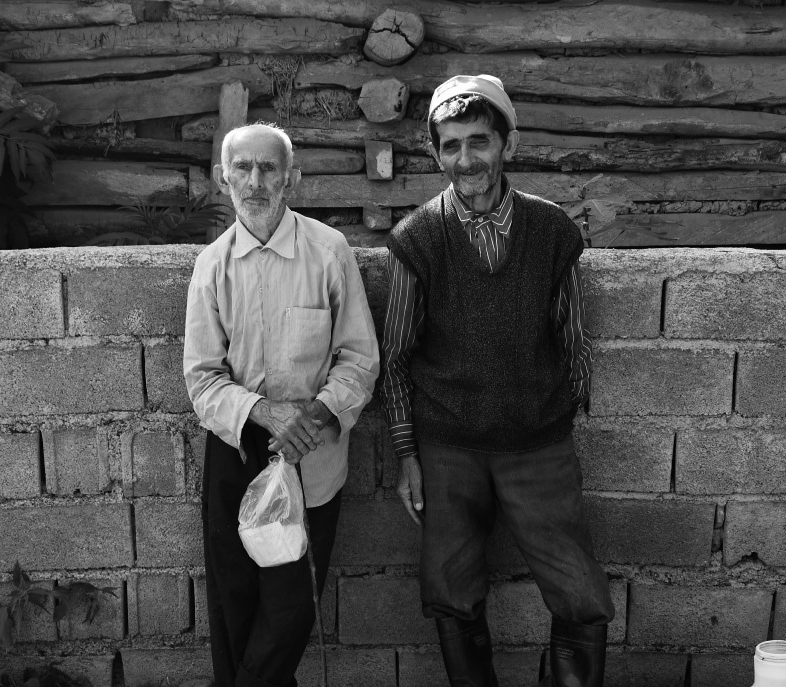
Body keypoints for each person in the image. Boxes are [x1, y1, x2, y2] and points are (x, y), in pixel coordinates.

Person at [381, 75, 614, 687]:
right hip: (448, 448)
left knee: (580, 594)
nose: (467, 159)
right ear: (436, 154)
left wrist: (559, 413)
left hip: (538, 445)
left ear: (507, 142)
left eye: (479, 141)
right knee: (451, 593)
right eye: (451, 146)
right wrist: (408, 453)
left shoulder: (553, 230)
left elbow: (572, 336)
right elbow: (397, 355)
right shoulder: (417, 239)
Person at [184, 123, 380, 687]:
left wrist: (314, 416)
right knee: (234, 607)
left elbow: (359, 358)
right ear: (224, 180)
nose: (255, 180)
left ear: (292, 177)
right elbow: (202, 379)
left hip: (312, 459)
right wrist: (266, 413)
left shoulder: (328, 252)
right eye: (242, 168)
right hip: (236, 454)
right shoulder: (212, 267)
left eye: (269, 168)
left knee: (289, 612)